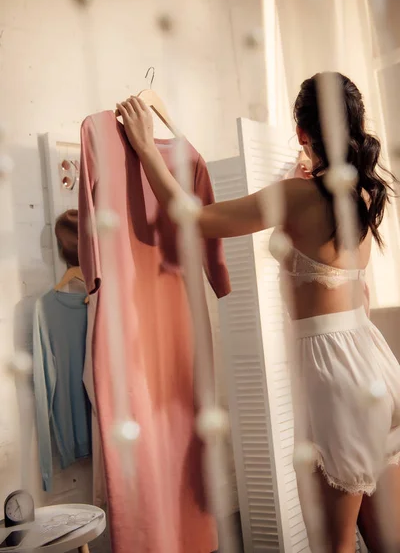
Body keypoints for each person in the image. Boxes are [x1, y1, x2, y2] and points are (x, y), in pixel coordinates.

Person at [117, 72, 400, 553]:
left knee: (333, 545)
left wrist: (145, 147)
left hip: (334, 378)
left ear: (302, 132)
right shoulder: (365, 193)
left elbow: (195, 219)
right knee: (385, 536)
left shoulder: (296, 197)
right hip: (375, 363)